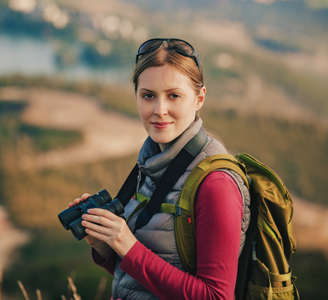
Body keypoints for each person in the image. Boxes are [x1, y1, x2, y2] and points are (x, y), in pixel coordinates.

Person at [67, 38, 250, 300]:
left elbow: (216, 296)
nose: (159, 110)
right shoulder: (152, 161)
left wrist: (128, 246)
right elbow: (138, 279)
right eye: (148, 96)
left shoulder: (216, 183)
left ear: (199, 98)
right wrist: (105, 245)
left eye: (174, 96)